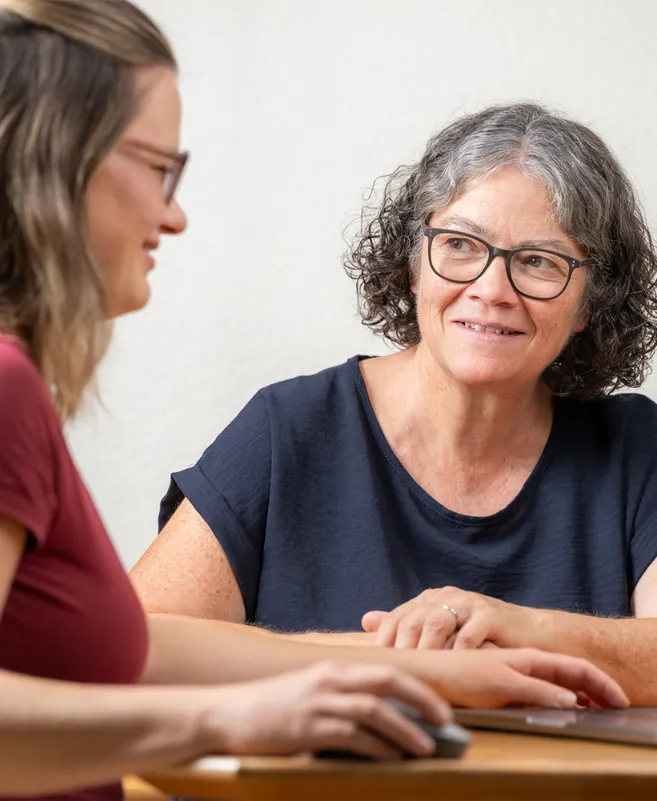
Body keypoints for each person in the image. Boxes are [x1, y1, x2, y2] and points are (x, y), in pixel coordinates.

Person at [0, 3, 628, 799]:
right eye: (160, 166)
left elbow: (131, 646)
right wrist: (236, 718)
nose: (175, 212)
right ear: (64, 165)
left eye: (537, 261)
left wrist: (415, 665)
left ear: (588, 296)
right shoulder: (10, 387)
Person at [132, 101, 657, 705]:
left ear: (591, 303)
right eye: (459, 244)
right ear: (413, 266)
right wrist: (416, 662)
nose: (490, 290)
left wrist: (524, 626)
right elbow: (134, 647)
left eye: (538, 262)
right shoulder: (290, 429)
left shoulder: (633, 447)